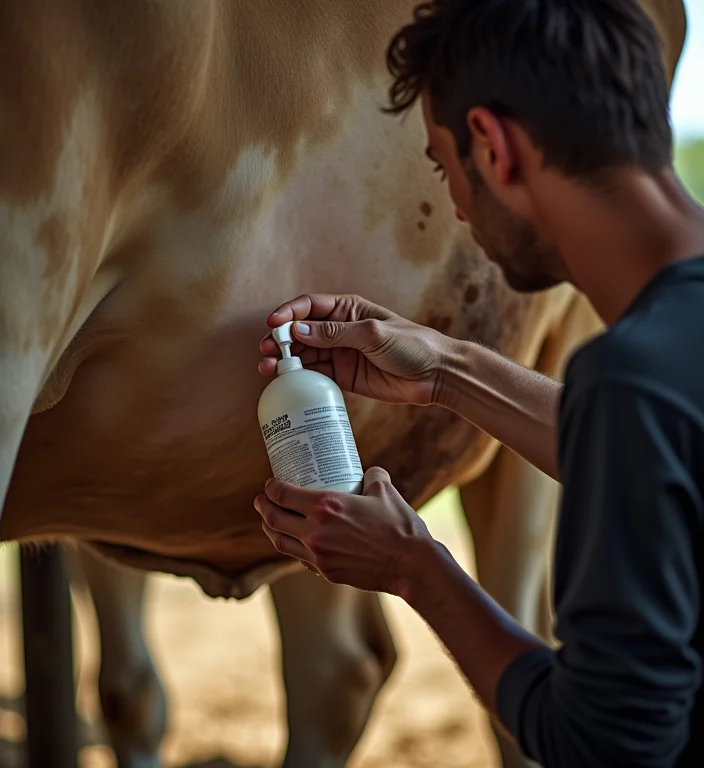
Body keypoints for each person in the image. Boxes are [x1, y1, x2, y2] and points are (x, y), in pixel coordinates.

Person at [252, 1, 704, 766]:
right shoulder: (663, 364)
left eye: (441, 164)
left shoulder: (628, 383)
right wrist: (448, 369)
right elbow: (668, 453)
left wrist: (414, 567)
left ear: (492, 148)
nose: (456, 210)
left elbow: (603, 743)